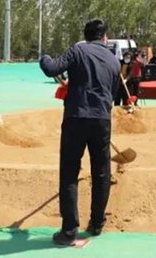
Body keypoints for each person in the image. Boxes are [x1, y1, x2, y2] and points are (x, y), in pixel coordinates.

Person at [39, 19, 119, 247]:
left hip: (76, 117)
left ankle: (69, 231)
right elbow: (113, 94)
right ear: (104, 37)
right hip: (102, 119)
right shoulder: (113, 60)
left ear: (85, 36)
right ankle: (97, 223)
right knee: (101, 173)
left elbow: (51, 68)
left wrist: (44, 57)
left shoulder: (77, 50)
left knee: (69, 172)